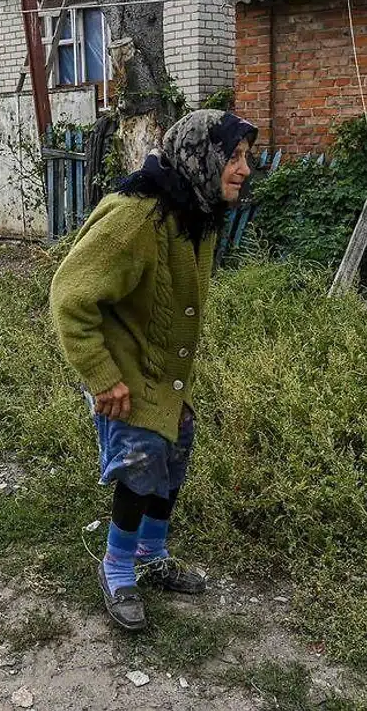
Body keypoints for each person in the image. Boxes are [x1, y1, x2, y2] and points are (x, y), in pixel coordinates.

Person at [49, 109, 258, 631]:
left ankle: (151, 554)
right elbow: (69, 295)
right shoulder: (137, 216)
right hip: (125, 374)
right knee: (141, 462)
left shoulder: (194, 210)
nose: (244, 168)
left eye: (245, 156)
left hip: (167, 372)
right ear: (202, 157)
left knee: (174, 453)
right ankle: (117, 568)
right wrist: (101, 377)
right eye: (233, 156)